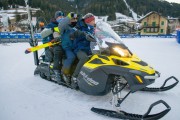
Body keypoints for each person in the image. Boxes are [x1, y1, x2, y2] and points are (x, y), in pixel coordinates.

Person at [70, 13, 96, 89]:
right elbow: (72, 33)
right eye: (93, 20)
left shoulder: (92, 28)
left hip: (90, 48)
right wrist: (83, 34)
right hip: (79, 48)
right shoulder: (79, 26)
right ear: (88, 21)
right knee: (84, 58)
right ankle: (74, 77)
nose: (94, 22)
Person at [41, 11, 65, 84]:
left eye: (63, 17)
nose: (61, 18)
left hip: (64, 43)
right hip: (54, 45)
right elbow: (42, 34)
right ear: (56, 17)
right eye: (60, 17)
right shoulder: (51, 25)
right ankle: (56, 71)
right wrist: (52, 30)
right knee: (58, 50)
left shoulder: (64, 24)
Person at [58, 12, 78, 84]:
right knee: (71, 57)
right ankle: (64, 73)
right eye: (73, 19)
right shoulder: (64, 27)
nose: (74, 20)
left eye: (76, 19)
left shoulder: (75, 28)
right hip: (67, 47)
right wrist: (69, 16)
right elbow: (61, 25)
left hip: (75, 47)